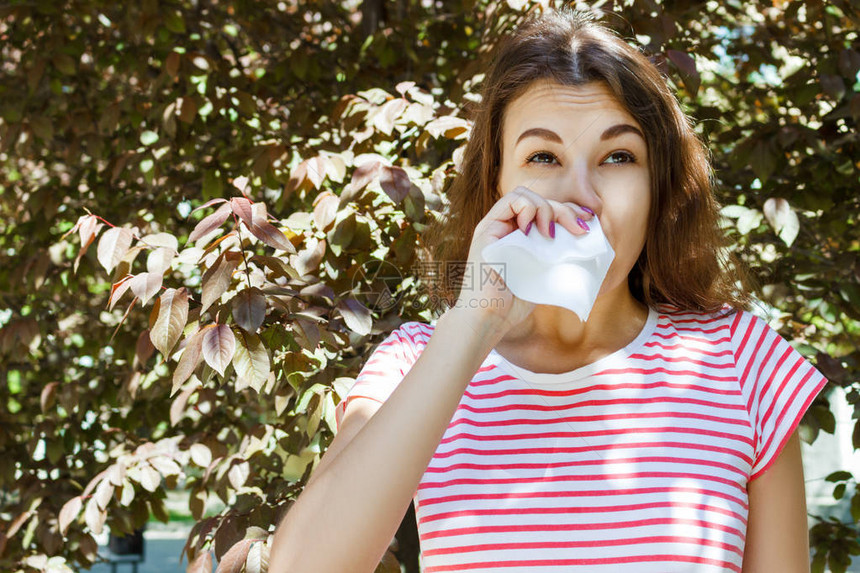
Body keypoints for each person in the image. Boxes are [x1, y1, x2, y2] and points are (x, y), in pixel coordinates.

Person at [269, 7, 828, 572]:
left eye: (618, 156)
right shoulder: (414, 362)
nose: (579, 194)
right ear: (498, 184)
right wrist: (475, 320)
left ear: (657, 186)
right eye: (543, 156)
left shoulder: (741, 360)